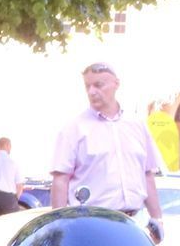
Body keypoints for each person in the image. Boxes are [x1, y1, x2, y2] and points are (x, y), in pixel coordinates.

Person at [50, 61, 164, 235]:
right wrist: (57, 228)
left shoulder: (137, 126)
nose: (91, 91)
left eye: (98, 85)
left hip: (135, 224)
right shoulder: (74, 129)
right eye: (87, 86)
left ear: (116, 84)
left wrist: (158, 219)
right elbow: (60, 180)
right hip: (91, 224)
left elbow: (147, 175)